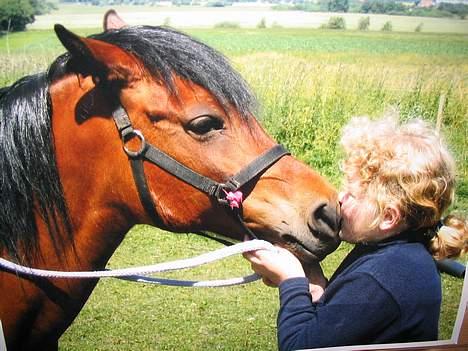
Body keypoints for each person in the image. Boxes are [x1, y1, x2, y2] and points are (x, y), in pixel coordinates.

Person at [243, 116, 468, 350]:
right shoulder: (395, 254)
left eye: (352, 194)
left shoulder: (381, 277)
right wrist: (316, 284)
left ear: (388, 218)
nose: (341, 198)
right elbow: (350, 323)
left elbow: (299, 346)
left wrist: (290, 280)